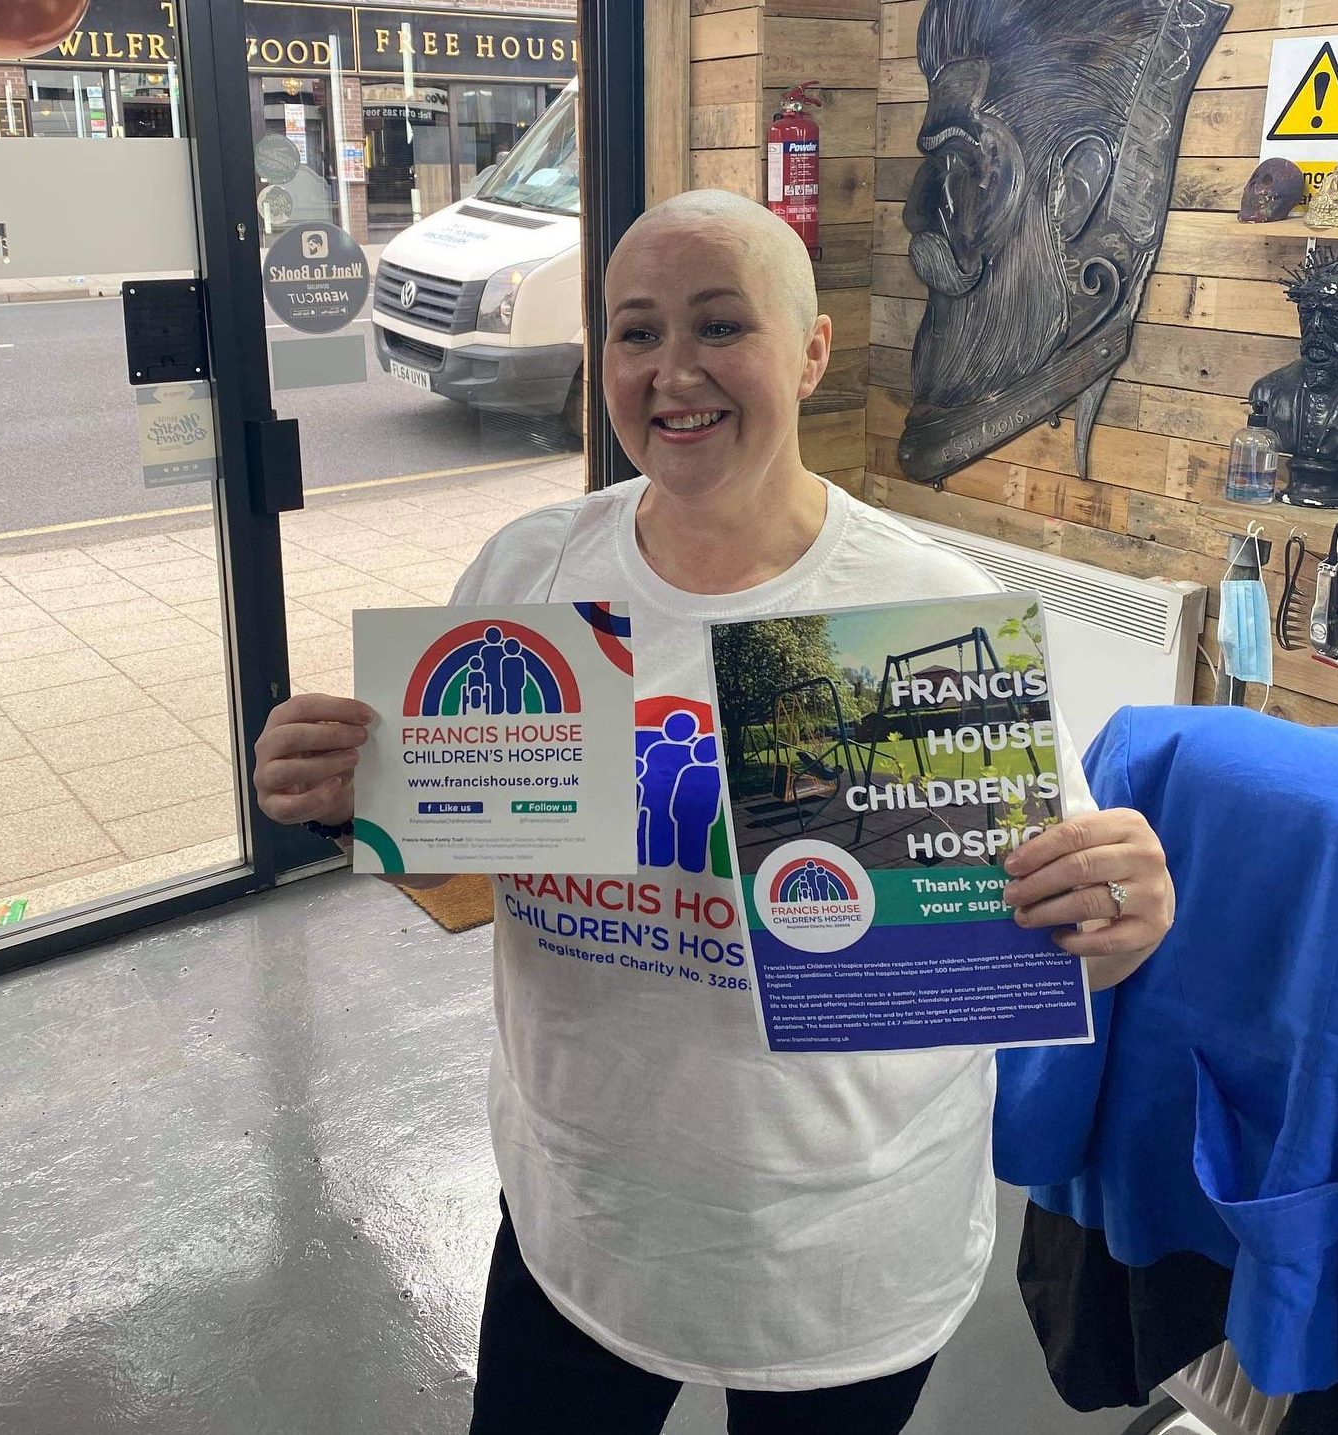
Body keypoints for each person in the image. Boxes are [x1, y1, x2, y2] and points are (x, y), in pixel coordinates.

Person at [253, 189, 1175, 1434]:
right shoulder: (532, 576)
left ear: (810, 350)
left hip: (838, 1252)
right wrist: (352, 805)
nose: (672, 372)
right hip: (583, 1215)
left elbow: (1039, 937)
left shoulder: (919, 611)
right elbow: (471, 883)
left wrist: (1119, 920)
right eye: (636, 332)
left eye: (719, 325)